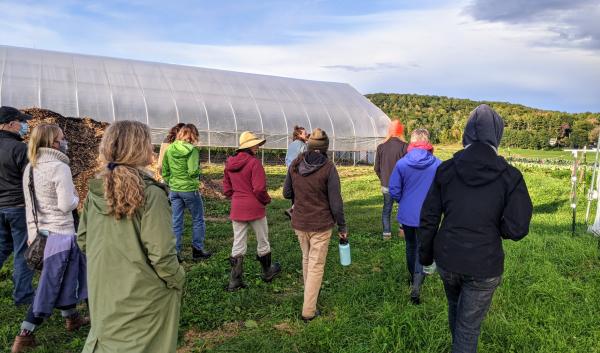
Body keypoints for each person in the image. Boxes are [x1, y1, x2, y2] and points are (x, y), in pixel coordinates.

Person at [419, 104, 533, 353]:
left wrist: (425, 257)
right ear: (497, 135)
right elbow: (518, 227)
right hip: (485, 263)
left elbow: (429, 217)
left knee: (456, 311)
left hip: (448, 257)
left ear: (467, 134)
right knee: (468, 327)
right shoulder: (510, 176)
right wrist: (496, 229)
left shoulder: (446, 169)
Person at [78, 120, 185, 353]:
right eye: (148, 144)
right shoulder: (152, 195)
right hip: (146, 294)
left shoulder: (96, 191)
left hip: (104, 289)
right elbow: (162, 254)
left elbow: (84, 239)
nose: (152, 150)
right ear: (137, 148)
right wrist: (178, 279)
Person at [11, 124, 88, 353]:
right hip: (62, 235)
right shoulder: (59, 167)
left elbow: (30, 207)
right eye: (61, 139)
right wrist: (77, 198)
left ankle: (71, 317)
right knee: (50, 286)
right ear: (52, 142)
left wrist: (33, 233)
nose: (64, 142)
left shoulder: (31, 167)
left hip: (43, 235)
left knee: (65, 278)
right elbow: (66, 205)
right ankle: (24, 335)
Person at [283, 128, 347, 322]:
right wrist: (342, 227)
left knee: (307, 260)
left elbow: (286, 193)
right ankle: (309, 310)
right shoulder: (328, 168)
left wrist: (300, 192)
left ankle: (309, 296)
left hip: (300, 222)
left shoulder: (296, 163)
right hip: (321, 224)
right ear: (326, 147)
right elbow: (336, 203)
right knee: (316, 265)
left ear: (309, 145)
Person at [223, 131, 281, 291]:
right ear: (249, 146)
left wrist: (237, 197)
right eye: (256, 144)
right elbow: (259, 189)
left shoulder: (229, 164)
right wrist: (266, 200)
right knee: (262, 239)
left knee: (238, 242)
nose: (258, 147)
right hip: (254, 207)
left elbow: (227, 189)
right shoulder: (254, 163)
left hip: (237, 207)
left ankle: (235, 280)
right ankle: (267, 272)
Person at [388, 128, 440, 305]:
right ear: (427, 142)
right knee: (423, 248)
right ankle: (417, 285)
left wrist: (404, 201)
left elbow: (394, 189)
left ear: (412, 142)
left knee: (411, 246)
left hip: (407, 214)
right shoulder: (437, 164)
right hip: (429, 215)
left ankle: (413, 278)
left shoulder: (402, 164)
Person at [0, 106, 35, 307]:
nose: (25, 125)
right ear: (11, 124)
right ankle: (23, 295)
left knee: (2, 247)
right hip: (18, 207)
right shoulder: (20, 149)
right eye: (21, 122)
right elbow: (31, 181)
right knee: (23, 252)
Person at [162, 123, 211, 262]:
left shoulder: (170, 148)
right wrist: (196, 178)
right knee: (198, 219)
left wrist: (172, 181)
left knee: (176, 221)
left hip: (175, 190)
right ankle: (197, 250)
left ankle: (175, 254)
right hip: (189, 190)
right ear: (193, 135)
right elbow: (192, 171)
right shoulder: (192, 151)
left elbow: (165, 170)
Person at [374, 120, 408, 240]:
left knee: (386, 209)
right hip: (401, 185)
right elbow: (408, 168)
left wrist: (383, 178)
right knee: (403, 208)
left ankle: (386, 235)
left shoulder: (381, 147)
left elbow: (376, 168)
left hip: (386, 185)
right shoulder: (405, 147)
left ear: (389, 131)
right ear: (401, 132)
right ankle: (402, 232)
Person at [284, 126, 309, 219]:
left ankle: (294, 212)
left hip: (291, 172)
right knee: (302, 193)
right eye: (305, 133)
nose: (307, 135)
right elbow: (306, 159)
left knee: (294, 193)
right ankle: (294, 211)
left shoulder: (291, 145)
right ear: (299, 135)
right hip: (300, 172)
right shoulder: (303, 146)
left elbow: (286, 159)